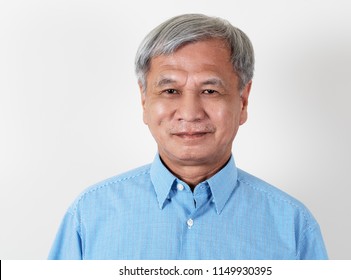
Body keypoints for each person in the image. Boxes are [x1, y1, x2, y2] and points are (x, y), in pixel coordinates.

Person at [48, 13, 328, 260]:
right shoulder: (89, 216)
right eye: (170, 91)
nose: (190, 112)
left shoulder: (292, 226)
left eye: (210, 91)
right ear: (144, 100)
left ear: (243, 101)